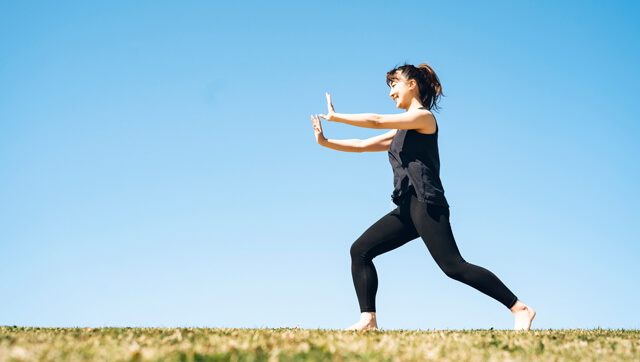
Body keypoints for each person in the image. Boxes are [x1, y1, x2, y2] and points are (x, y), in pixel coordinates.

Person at [310, 63, 536, 331]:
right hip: (407, 206)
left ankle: (519, 308)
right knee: (360, 251)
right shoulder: (401, 130)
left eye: (394, 84)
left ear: (412, 84)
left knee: (453, 266)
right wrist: (326, 142)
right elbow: (362, 145)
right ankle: (368, 319)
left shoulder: (424, 118)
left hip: (426, 202)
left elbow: (376, 121)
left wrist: (337, 116)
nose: (391, 92)